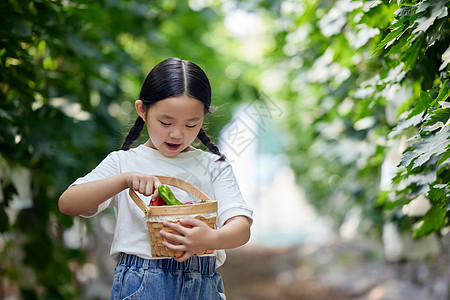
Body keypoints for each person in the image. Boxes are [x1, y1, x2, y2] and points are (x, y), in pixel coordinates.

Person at [59, 57, 253, 300]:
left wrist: (211, 238)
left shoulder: (214, 166)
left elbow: (241, 227)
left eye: (191, 124)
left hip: (202, 286)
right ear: (142, 110)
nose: (177, 133)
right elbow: (68, 203)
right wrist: (124, 180)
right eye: (165, 122)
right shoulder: (123, 163)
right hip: (141, 285)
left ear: (204, 115)